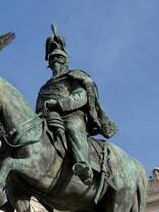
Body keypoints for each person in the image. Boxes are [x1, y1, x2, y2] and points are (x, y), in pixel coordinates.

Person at [36, 24, 118, 185]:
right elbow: (38, 107)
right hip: (49, 118)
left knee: (73, 127)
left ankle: (83, 165)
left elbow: (81, 96)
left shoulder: (75, 76)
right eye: (52, 60)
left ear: (65, 61)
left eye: (58, 59)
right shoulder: (45, 87)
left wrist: (58, 104)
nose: (55, 63)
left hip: (73, 115)